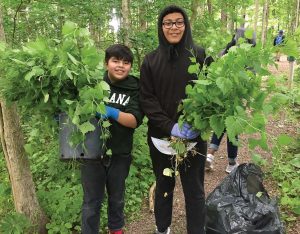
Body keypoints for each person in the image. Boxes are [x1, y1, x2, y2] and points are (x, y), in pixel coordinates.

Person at [140, 5, 212, 234]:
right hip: (161, 138)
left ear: (186, 25)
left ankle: (196, 230)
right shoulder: (150, 60)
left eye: (178, 22)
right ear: (161, 27)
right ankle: (163, 228)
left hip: (194, 136)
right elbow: (147, 99)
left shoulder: (199, 55)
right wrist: (170, 125)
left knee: (195, 189)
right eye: (168, 22)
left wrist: (198, 122)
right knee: (164, 185)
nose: (173, 27)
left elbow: (211, 94)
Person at [81, 44, 143, 234]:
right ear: (106, 63)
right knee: (91, 202)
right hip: (91, 153)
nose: (120, 66)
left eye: (126, 62)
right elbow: (77, 109)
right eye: (115, 61)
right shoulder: (93, 84)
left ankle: (116, 230)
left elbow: (134, 121)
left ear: (131, 66)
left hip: (120, 153)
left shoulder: (135, 87)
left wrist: (111, 112)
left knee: (117, 198)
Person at [205, 27, 256, 174]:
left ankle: (210, 154)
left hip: (221, 95)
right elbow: (251, 78)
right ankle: (232, 162)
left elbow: (216, 70)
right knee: (233, 126)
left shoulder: (227, 50)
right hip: (236, 96)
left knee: (223, 123)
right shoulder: (249, 55)